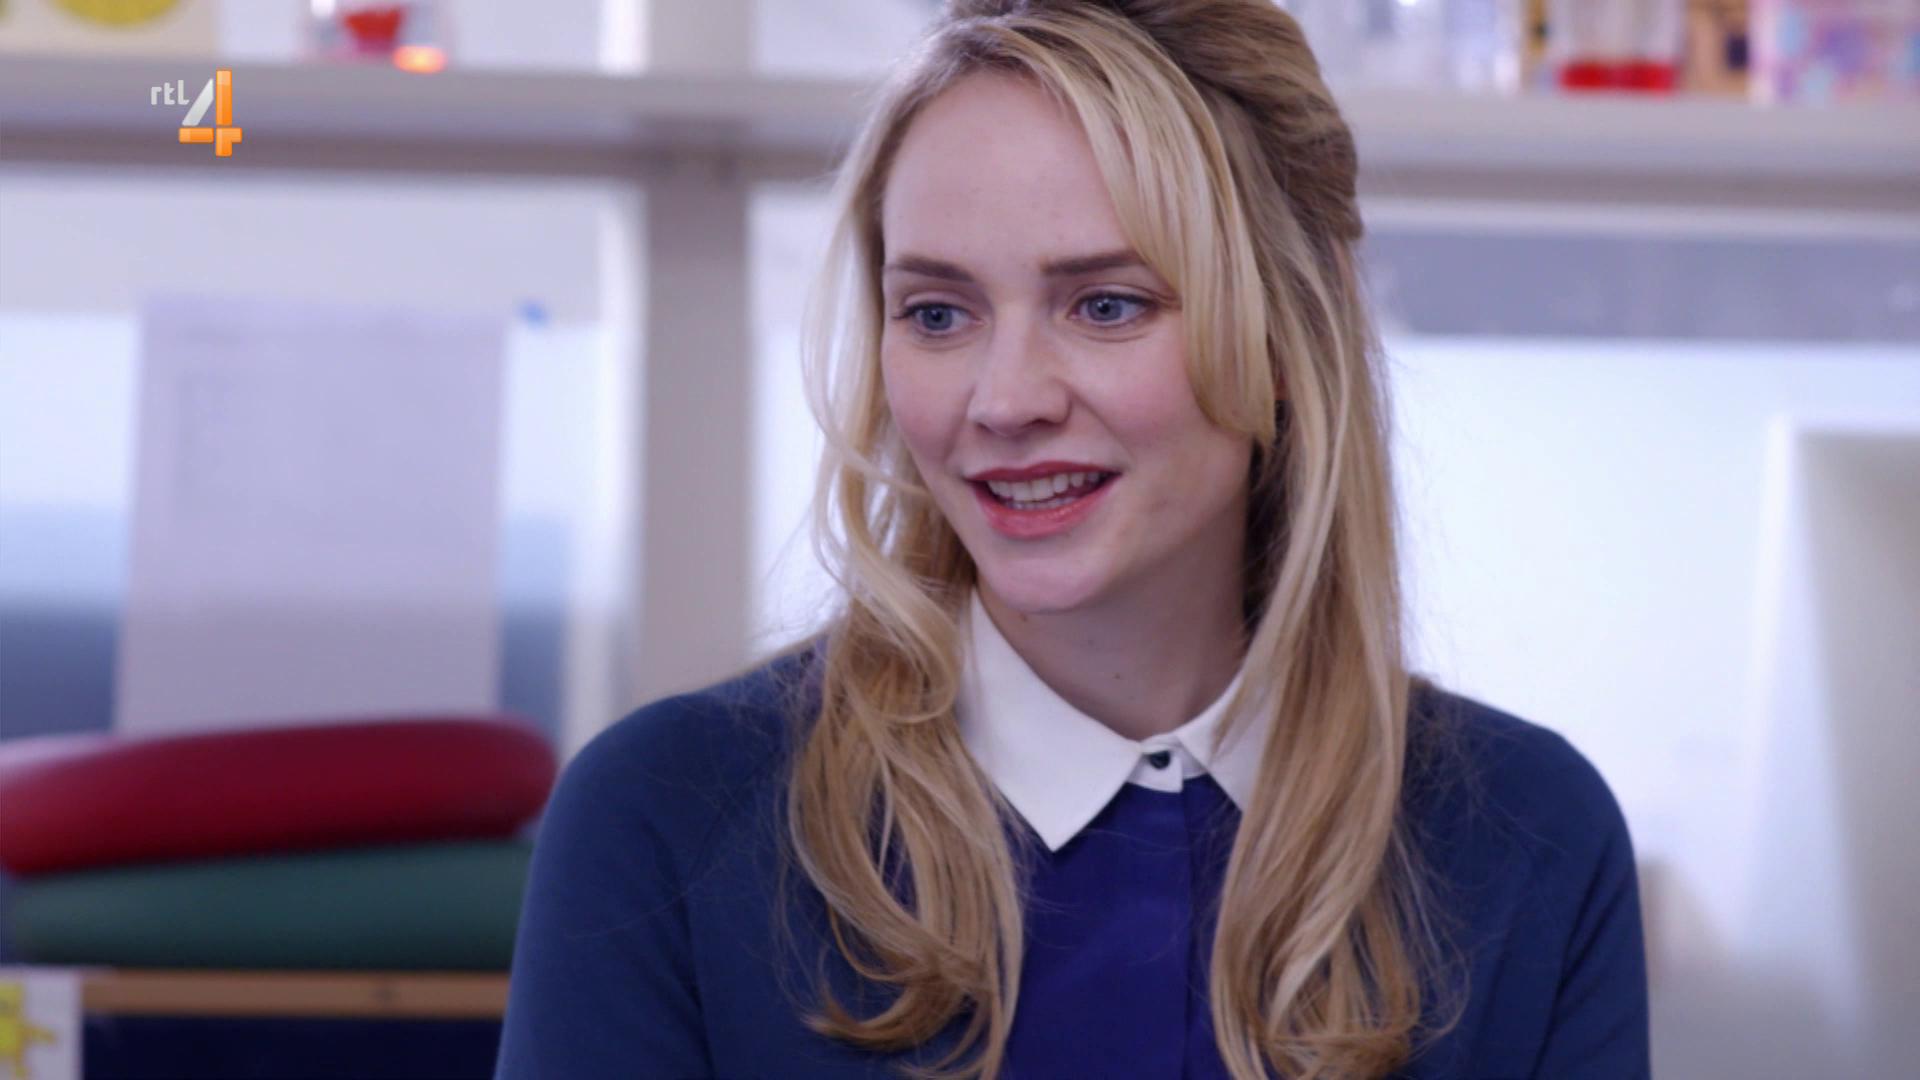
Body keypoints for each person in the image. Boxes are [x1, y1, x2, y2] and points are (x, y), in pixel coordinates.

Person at [494, 1, 1651, 1077]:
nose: (1005, 400)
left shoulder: (1526, 839)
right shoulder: (670, 828)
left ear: (1290, 334)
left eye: (1106, 305)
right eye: (937, 313)